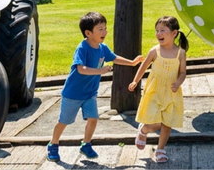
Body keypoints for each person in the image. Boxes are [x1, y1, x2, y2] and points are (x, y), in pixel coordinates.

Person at [47, 12, 144, 162]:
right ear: (88, 33)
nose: (105, 32)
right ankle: (53, 144)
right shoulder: (82, 48)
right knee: (64, 121)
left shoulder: (102, 48)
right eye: (100, 29)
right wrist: (101, 70)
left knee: (93, 119)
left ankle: (86, 144)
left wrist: (132, 63)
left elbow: (114, 58)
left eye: (105, 28)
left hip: (90, 93)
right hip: (73, 94)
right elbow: (81, 69)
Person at [128, 16, 189, 164]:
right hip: (154, 91)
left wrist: (178, 83)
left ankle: (160, 149)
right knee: (155, 122)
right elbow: (143, 67)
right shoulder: (155, 51)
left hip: (171, 93)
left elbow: (182, 73)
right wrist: (135, 81)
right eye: (157, 30)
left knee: (167, 123)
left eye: (162, 30)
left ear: (174, 33)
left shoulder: (180, 53)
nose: (158, 34)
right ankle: (144, 130)